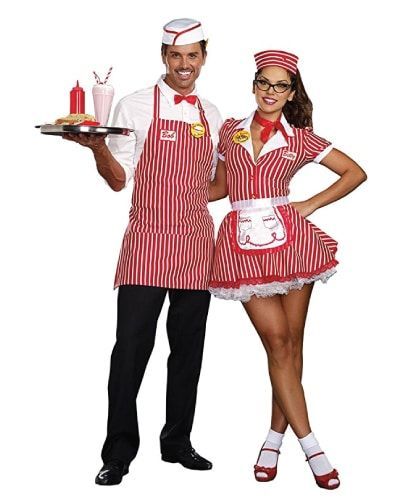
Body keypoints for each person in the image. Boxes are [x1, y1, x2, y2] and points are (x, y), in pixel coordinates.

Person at [63, 18, 222, 485]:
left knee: (187, 353)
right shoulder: (134, 105)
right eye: (176, 56)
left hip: (196, 244)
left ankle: (177, 443)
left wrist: (193, 196)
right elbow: (118, 180)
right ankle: (118, 453)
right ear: (163, 58)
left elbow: (217, 183)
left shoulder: (211, 113)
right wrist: (96, 149)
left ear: (204, 58)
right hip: (148, 242)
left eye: (193, 55)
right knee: (130, 351)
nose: (185, 65)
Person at [208, 50, 366, 490]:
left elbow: (355, 173)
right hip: (241, 244)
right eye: (264, 83)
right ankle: (312, 445)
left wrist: (310, 203)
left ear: (291, 92)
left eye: (280, 86)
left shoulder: (300, 138)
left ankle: (274, 438)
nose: (270, 92)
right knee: (277, 342)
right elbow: (220, 187)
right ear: (254, 85)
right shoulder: (229, 131)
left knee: (291, 347)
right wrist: (177, 183)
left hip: (291, 243)